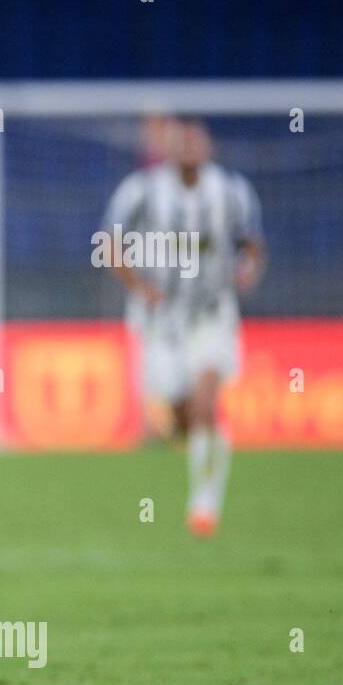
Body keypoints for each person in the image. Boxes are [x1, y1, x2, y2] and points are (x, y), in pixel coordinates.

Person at [103, 118, 265, 536]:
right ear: (168, 149)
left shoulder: (231, 191)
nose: (190, 147)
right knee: (182, 417)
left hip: (211, 315)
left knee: (206, 404)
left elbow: (253, 245)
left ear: (209, 147)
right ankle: (192, 443)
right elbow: (108, 244)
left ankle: (205, 503)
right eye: (182, 141)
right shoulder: (141, 190)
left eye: (196, 141)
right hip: (161, 323)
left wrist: (248, 270)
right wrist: (139, 286)